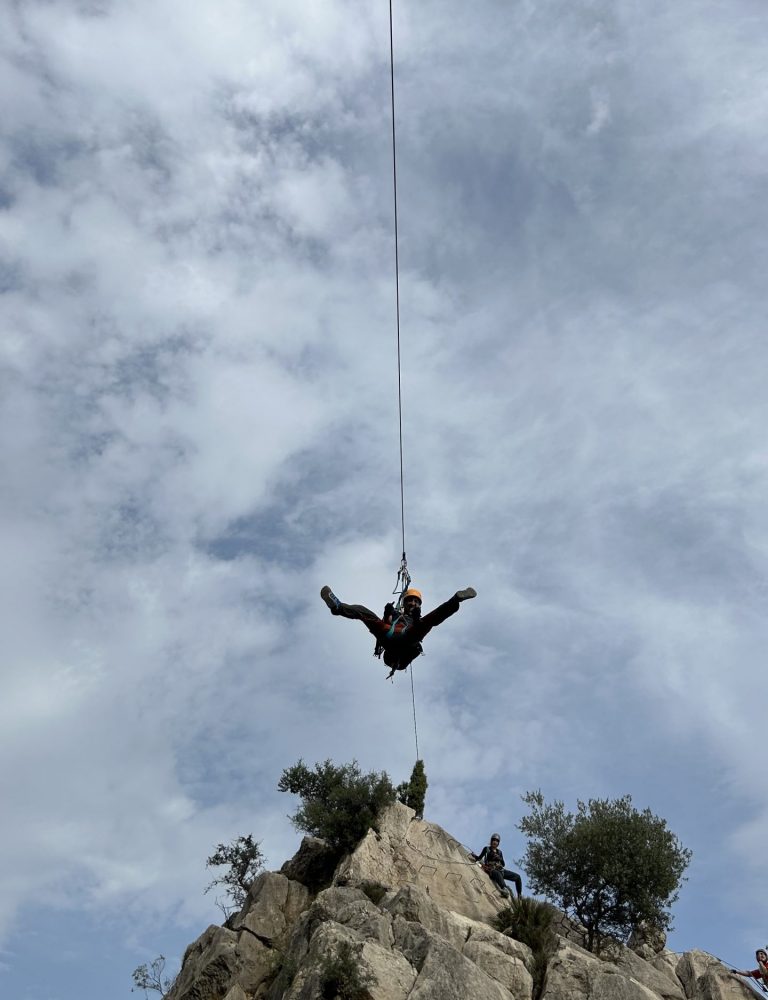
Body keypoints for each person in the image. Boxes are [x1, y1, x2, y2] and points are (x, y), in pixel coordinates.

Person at [320, 584, 476, 676]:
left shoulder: (416, 617)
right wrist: (388, 612)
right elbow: (385, 623)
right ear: (405, 602)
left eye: (416, 601)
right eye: (410, 601)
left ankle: (456, 600)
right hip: (391, 635)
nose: (413, 603)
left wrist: (416, 619)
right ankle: (338, 606)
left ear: (419, 604)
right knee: (364, 612)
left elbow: (419, 626)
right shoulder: (396, 614)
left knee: (430, 619)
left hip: (408, 638)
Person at [471, 833, 523, 900]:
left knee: (517, 877)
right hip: (491, 870)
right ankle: (505, 889)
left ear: (498, 843)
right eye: (494, 840)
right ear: (491, 841)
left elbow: (503, 864)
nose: (495, 842)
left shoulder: (500, 852)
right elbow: (479, 858)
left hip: (501, 869)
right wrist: (475, 856)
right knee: (497, 874)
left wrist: (499, 858)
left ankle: (519, 895)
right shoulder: (487, 849)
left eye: (497, 841)